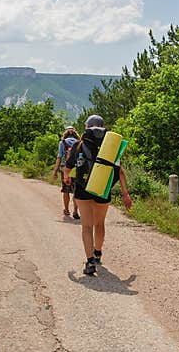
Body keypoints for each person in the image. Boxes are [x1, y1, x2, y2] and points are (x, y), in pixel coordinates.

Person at [63, 114, 133, 276]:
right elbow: (120, 171)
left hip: (83, 189)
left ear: (87, 128)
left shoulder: (79, 145)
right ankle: (98, 252)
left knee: (87, 226)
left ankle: (89, 262)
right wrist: (126, 194)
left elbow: (67, 168)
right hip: (103, 189)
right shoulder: (111, 148)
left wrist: (67, 178)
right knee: (99, 224)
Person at [51, 126, 80, 220]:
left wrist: (55, 171)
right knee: (76, 191)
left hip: (65, 169)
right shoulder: (79, 142)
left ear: (65, 133)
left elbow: (59, 157)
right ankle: (76, 210)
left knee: (66, 190)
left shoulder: (62, 143)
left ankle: (67, 210)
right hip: (77, 169)